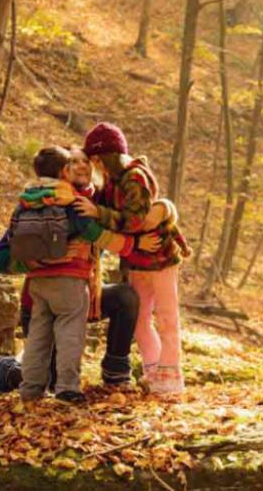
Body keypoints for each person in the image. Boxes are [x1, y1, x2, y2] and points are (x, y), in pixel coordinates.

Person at [0, 148, 152, 395]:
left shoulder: (98, 206)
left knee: (125, 297)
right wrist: (38, 261)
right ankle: (6, 370)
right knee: (48, 377)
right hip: (40, 302)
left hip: (82, 293)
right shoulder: (45, 203)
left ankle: (115, 373)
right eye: (73, 162)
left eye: (85, 160)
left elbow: (122, 228)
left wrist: (139, 244)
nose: (81, 166)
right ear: (64, 171)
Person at [76, 123, 190, 395]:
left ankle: (171, 378)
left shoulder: (135, 177)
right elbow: (102, 210)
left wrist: (98, 214)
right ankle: (154, 370)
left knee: (167, 318)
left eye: (95, 158)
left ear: (106, 156)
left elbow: (135, 220)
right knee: (139, 320)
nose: (93, 164)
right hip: (135, 261)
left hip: (160, 259)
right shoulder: (111, 182)